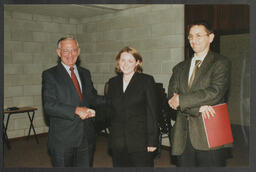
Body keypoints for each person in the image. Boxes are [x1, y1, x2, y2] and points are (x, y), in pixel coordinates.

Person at [168, 20, 232, 167]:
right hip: (182, 135)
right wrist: (198, 108)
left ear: (211, 37)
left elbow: (214, 92)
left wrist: (182, 100)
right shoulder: (179, 67)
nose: (193, 40)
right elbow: (172, 98)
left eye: (198, 35)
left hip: (210, 130)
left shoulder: (221, 63)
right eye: (190, 36)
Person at [42, 35, 104, 167]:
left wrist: (116, 98)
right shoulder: (50, 75)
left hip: (86, 138)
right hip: (63, 140)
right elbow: (49, 105)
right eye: (65, 51)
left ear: (79, 51)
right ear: (59, 52)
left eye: (74, 50)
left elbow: (92, 97)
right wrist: (76, 110)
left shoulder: (85, 73)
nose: (70, 54)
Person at [105, 46, 159, 167]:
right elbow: (109, 110)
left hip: (140, 141)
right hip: (118, 141)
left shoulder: (146, 81)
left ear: (137, 63)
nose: (126, 64)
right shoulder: (113, 82)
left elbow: (152, 112)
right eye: (123, 60)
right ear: (118, 61)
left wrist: (152, 140)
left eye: (130, 61)